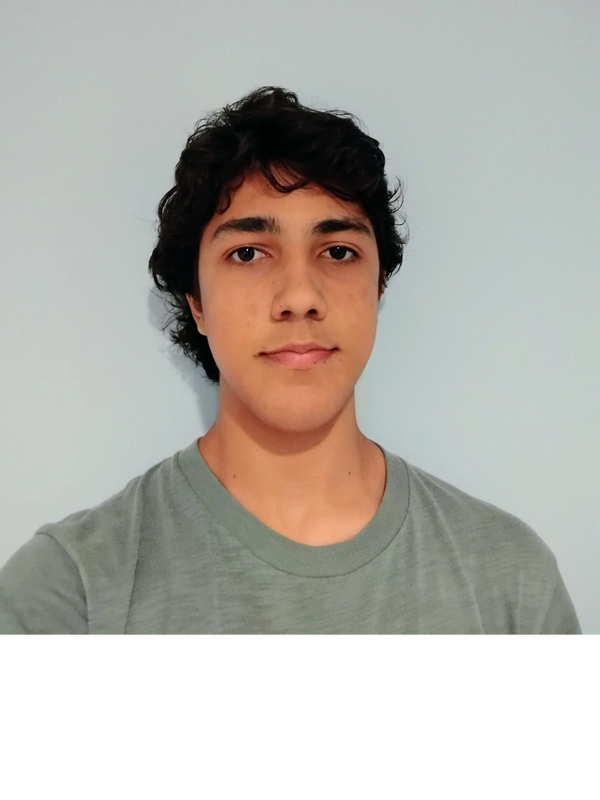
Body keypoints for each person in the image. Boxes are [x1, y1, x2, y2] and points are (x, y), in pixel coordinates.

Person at [0, 86, 581, 638]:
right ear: (196, 302)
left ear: (377, 287)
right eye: (248, 252)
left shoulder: (512, 582)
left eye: (338, 251)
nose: (300, 295)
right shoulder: (68, 591)